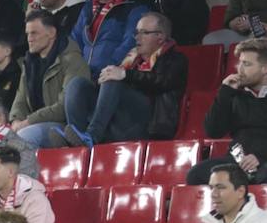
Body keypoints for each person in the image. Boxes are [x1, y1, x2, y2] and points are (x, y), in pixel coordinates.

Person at [65, 11, 188, 145]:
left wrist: (125, 75)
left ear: (160, 37)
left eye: (144, 33)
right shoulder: (132, 58)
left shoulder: (175, 59)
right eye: (136, 32)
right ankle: (77, 137)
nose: (137, 37)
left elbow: (162, 81)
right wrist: (101, 81)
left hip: (146, 122)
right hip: (118, 119)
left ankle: (91, 137)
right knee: (78, 84)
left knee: (114, 79)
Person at [7, 11, 91, 149]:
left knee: (25, 136)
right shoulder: (29, 63)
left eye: (34, 33)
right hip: (33, 123)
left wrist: (28, 121)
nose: (29, 38)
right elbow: (20, 98)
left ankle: (27, 171)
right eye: (28, 34)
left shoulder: (73, 61)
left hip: (64, 127)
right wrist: (16, 120)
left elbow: (64, 107)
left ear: (51, 33)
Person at [190, 39, 267, 185]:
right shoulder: (234, 95)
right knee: (196, 174)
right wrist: (224, 93)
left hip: (264, 161)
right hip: (238, 162)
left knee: (261, 175)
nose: (240, 69)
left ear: (265, 69)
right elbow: (213, 131)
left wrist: (261, 157)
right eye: (240, 63)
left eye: (247, 64)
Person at [72, 0, 147, 83]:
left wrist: (99, 73)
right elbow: (74, 41)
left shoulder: (135, 9)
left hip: (112, 80)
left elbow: (129, 47)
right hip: (85, 76)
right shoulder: (89, 6)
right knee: (73, 84)